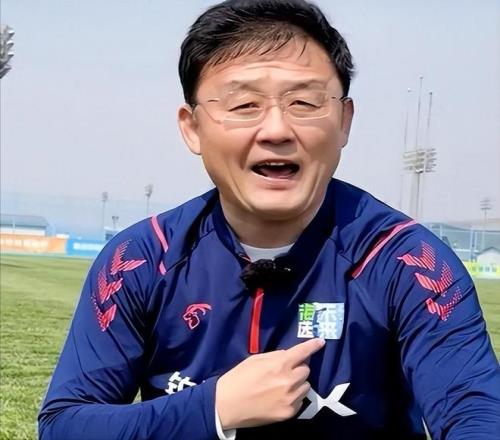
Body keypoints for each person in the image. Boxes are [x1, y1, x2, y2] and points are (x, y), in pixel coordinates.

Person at [38, 0, 500, 439]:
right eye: (244, 105)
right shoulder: (141, 258)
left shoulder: (407, 261)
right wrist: (214, 407)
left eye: (305, 103)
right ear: (192, 128)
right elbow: (64, 424)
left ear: (344, 121)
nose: (276, 129)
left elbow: (475, 413)